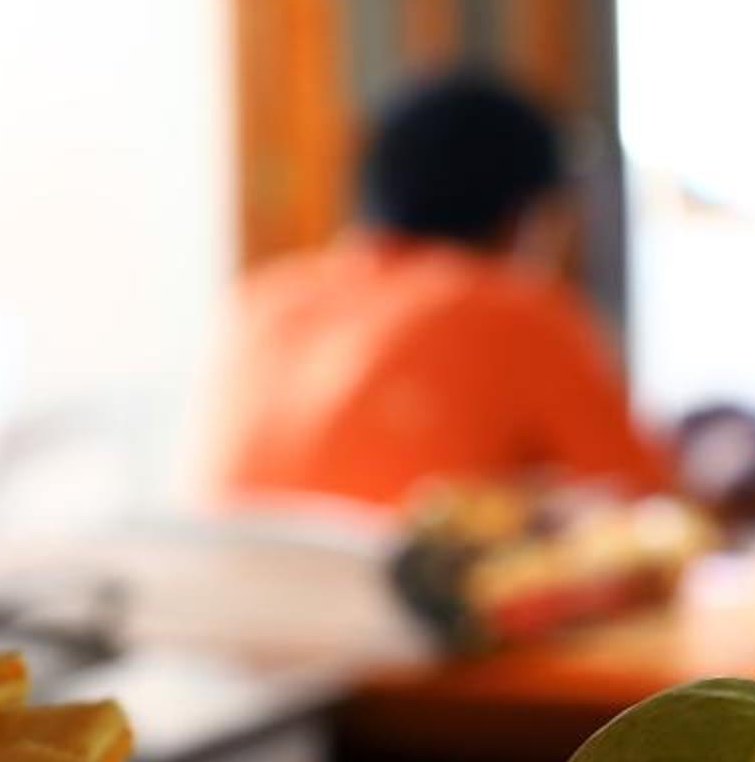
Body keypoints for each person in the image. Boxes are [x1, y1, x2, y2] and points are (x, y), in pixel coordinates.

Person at [213, 74, 672, 512]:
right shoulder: (514, 311)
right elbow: (649, 503)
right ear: (524, 214)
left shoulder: (261, 299)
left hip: (231, 571)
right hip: (404, 571)